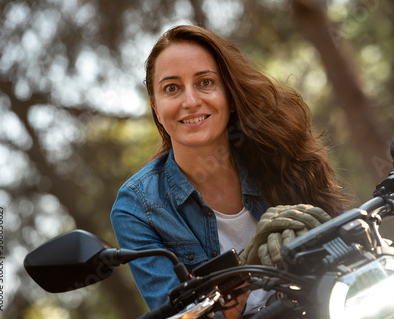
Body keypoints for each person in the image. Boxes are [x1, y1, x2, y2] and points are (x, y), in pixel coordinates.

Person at [110, 25, 347, 318]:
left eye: (205, 82)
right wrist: (247, 265)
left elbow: (348, 258)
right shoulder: (136, 208)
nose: (191, 101)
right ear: (156, 108)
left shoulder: (279, 154)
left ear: (230, 95)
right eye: (172, 88)